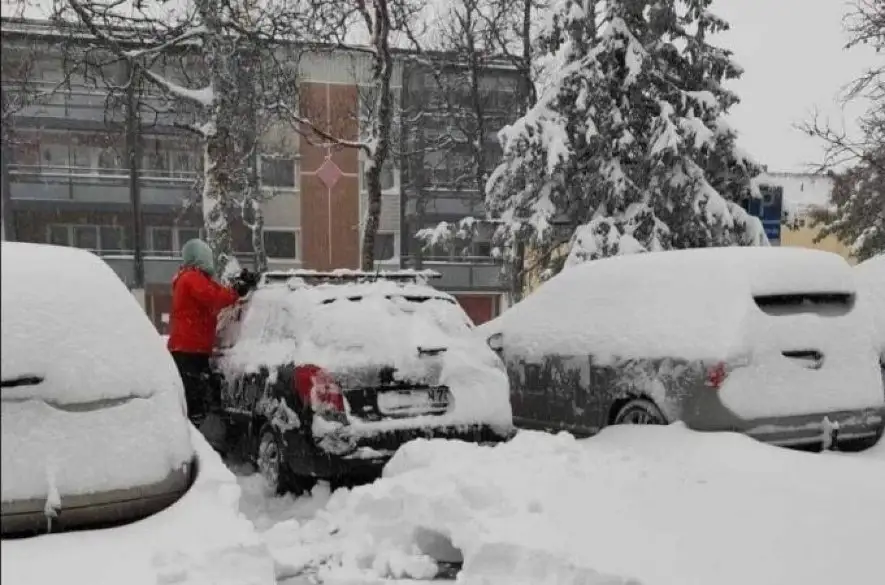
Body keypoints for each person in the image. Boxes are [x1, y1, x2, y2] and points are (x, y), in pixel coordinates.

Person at [167, 238, 257, 428]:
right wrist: (237, 292)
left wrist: (234, 288)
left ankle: (197, 431)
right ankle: (196, 437)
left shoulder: (191, 277)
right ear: (199, 257)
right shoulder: (191, 277)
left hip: (189, 347)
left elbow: (216, 291)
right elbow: (214, 297)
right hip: (190, 349)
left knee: (195, 396)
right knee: (195, 399)